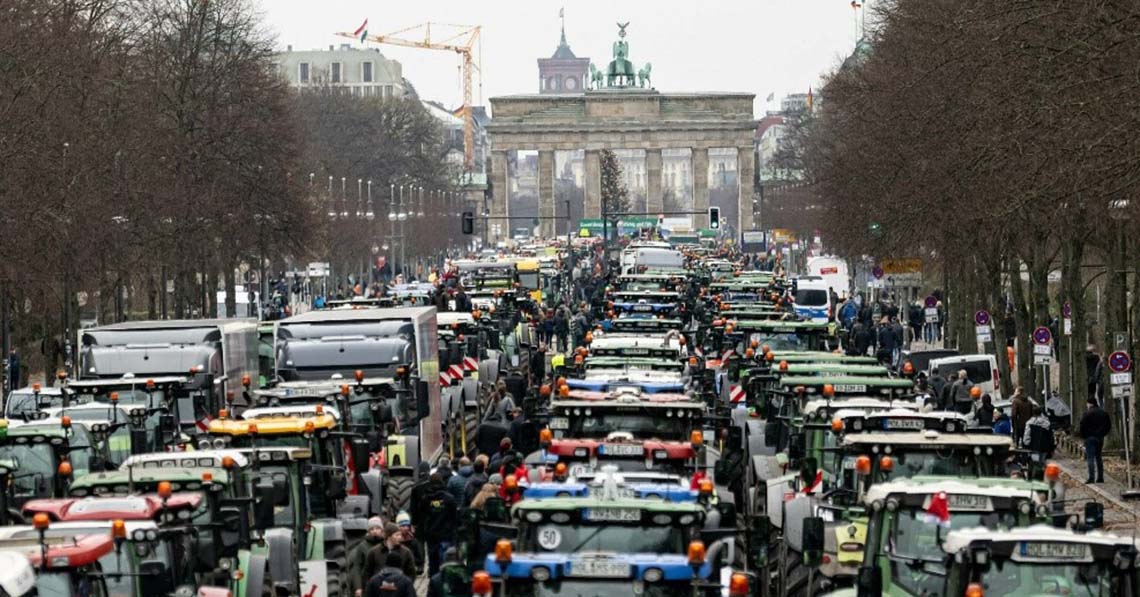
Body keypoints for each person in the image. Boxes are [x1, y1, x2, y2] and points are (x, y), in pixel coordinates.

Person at [420, 472, 458, 576]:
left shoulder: (425, 499)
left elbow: (422, 516)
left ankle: (433, 580)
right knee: (445, 560)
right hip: (445, 534)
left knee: (433, 561)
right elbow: (454, 517)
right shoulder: (449, 498)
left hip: (431, 534)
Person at [350, 517, 386, 597]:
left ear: (382, 530)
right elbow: (357, 567)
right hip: (368, 584)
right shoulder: (362, 546)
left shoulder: (386, 544)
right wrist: (358, 587)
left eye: (377, 528)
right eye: (372, 529)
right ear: (368, 531)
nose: (375, 531)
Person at [1079, 398, 1111, 483]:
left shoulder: (1087, 414)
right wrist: (1103, 433)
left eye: (1087, 404)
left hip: (1089, 437)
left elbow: (1082, 425)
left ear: (1090, 404)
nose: (1087, 406)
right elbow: (1108, 425)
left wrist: (1084, 436)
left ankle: (1091, 477)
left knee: (1090, 458)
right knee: (1098, 457)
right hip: (1100, 437)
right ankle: (1100, 477)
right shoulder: (1103, 413)